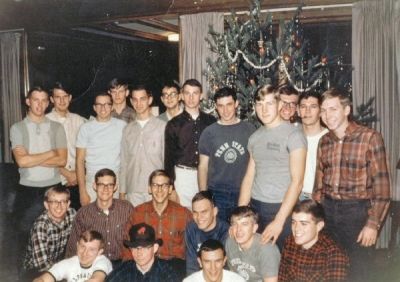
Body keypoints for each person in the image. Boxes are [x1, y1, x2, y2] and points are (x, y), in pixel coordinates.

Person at [313, 88, 391, 281]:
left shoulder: (370, 138)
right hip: (329, 212)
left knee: (359, 270)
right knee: (332, 268)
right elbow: (319, 183)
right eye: (323, 110)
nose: (327, 115)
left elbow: (382, 189)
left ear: (346, 110)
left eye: (333, 109)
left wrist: (372, 224)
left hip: (357, 213)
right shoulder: (324, 141)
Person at [238, 85, 307, 249]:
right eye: (260, 104)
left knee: (283, 263)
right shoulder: (255, 137)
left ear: (279, 105)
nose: (264, 109)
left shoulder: (294, 135)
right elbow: (249, 177)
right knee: (260, 260)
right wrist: (239, 215)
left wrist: (279, 221)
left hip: (282, 208)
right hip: (256, 208)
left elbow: (297, 182)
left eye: (269, 104)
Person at [10, 86, 67, 271]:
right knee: (24, 239)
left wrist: (32, 157)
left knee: (56, 239)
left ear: (48, 102)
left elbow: (62, 159)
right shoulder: (17, 128)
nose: (40, 104)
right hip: (27, 190)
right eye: (35, 99)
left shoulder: (57, 127)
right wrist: (51, 152)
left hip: (53, 188)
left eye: (44, 100)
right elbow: (22, 162)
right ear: (28, 101)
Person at [121, 169, 192, 279]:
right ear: (149, 189)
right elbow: (127, 245)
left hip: (173, 266)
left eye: (164, 185)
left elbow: (191, 248)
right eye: (155, 185)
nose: (159, 189)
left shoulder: (184, 214)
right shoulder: (137, 212)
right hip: (145, 264)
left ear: (170, 189)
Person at [198, 87, 255, 222]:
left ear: (236, 104)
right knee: (220, 235)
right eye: (221, 106)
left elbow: (256, 163)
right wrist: (204, 196)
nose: (225, 110)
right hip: (217, 193)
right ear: (216, 107)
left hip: (243, 192)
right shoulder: (209, 132)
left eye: (229, 105)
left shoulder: (249, 130)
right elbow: (203, 166)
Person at [66, 168, 133, 268]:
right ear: (94, 186)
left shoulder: (126, 208)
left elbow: (136, 239)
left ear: (115, 187)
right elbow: (73, 247)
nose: (105, 189)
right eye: (101, 184)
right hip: (95, 265)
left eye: (110, 185)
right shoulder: (84, 213)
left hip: (123, 264)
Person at [165, 79, 216, 208]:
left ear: (201, 96)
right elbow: (169, 159)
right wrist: (172, 188)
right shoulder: (173, 124)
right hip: (183, 177)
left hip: (207, 175)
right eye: (187, 93)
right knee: (184, 216)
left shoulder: (211, 122)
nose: (191, 98)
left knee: (205, 214)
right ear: (181, 96)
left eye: (195, 93)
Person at [278, 200, 349, 282]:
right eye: (293, 222)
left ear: (319, 226)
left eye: (303, 223)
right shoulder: (289, 242)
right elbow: (282, 278)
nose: (296, 228)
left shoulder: (334, 254)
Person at [76, 92, 126, 205]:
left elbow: (126, 159)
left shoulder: (122, 126)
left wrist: (123, 191)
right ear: (94, 107)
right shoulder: (85, 128)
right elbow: (79, 161)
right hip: (92, 183)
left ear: (112, 107)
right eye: (99, 104)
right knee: (91, 220)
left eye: (107, 104)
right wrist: (82, 191)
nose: (103, 108)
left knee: (115, 219)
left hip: (115, 183)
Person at [119, 85, 166, 206]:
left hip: (157, 190)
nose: (138, 103)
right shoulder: (127, 129)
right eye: (135, 99)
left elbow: (167, 161)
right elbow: (124, 162)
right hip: (133, 190)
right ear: (131, 101)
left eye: (142, 99)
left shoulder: (162, 127)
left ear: (150, 100)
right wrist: (122, 191)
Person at [46, 82, 86, 210]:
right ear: (52, 99)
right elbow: (43, 155)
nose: (62, 100)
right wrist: (66, 173)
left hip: (79, 180)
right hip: (55, 180)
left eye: (65, 96)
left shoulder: (80, 121)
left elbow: (87, 152)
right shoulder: (45, 122)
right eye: (58, 97)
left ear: (70, 97)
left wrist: (78, 174)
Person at [23, 186, 76, 278]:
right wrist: (66, 273)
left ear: (68, 204)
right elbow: (42, 265)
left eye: (63, 201)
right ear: (46, 205)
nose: (59, 206)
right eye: (54, 202)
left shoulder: (72, 214)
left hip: (57, 262)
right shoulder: (41, 226)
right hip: (35, 270)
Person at [106, 223, 178, 282]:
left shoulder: (167, 272)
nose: (139, 253)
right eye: (135, 248)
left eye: (144, 247)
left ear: (155, 248)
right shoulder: (123, 270)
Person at [225, 206, 280, 282]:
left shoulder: (267, 250)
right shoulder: (230, 242)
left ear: (254, 228)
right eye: (235, 224)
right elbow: (233, 275)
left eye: (244, 224)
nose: (238, 229)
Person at [33, 230, 112, 282]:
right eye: (82, 246)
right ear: (77, 245)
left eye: (91, 250)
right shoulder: (69, 263)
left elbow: (96, 279)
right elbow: (44, 278)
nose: (85, 253)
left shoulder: (103, 261)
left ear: (99, 252)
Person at [185, 191, 229, 275]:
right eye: (195, 212)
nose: (199, 217)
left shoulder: (225, 232)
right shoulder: (191, 228)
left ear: (214, 211)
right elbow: (191, 266)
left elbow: (224, 269)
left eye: (204, 212)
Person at [297, 91, 328, 200]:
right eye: (303, 107)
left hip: (321, 197)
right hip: (296, 196)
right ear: (298, 111)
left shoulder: (329, 138)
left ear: (320, 111)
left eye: (313, 107)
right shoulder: (292, 137)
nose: (307, 111)